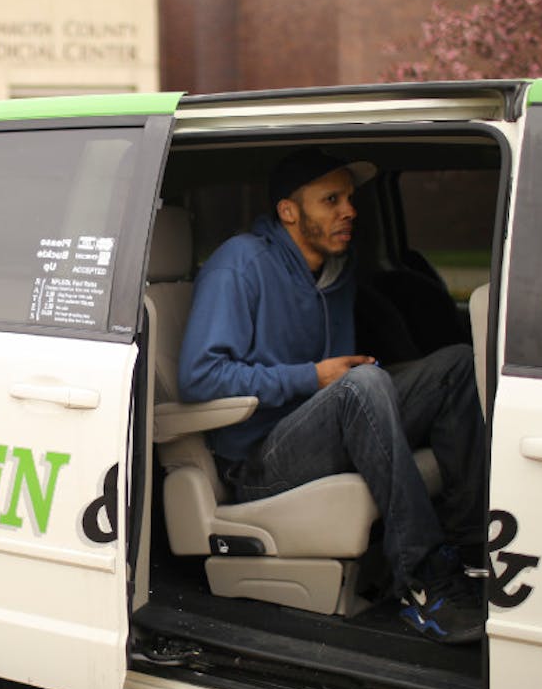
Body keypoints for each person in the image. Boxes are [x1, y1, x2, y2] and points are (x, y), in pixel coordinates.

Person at [177, 151, 487, 644]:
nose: (349, 210)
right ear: (289, 211)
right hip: (257, 463)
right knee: (359, 387)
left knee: (454, 364)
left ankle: (472, 555)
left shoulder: (337, 271)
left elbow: (337, 378)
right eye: (331, 200)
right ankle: (423, 582)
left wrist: (356, 377)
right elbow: (199, 376)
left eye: (349, 198)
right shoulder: (241, 264)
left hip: (318, 428)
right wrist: (311, 378)